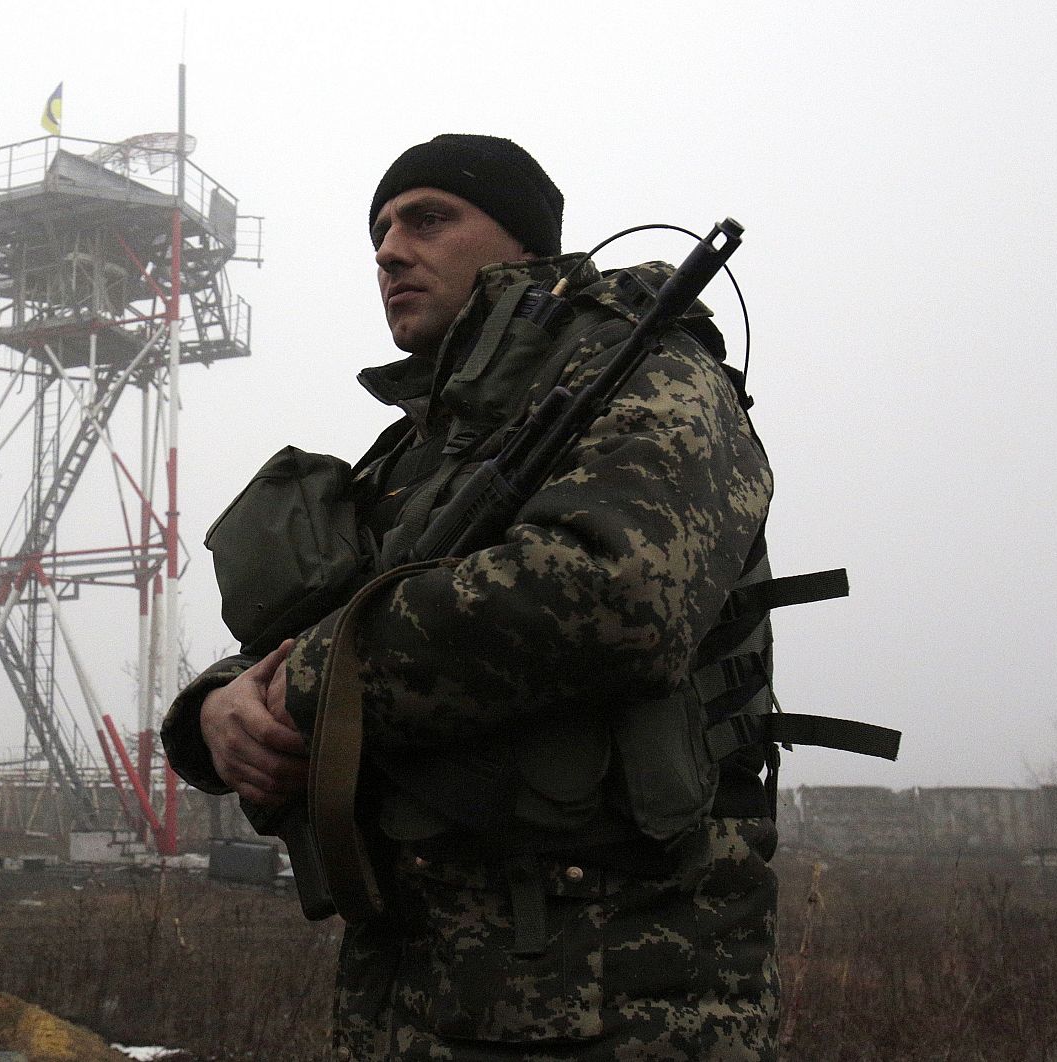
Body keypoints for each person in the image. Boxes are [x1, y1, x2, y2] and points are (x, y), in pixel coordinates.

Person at [163, 134, 782, 1060]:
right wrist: (216, 708)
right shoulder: (416, 453)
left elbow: (615, 592)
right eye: (379, 229)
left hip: (622, 1005)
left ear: (527, 246)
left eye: (429, 218)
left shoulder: (649, 374)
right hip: (414, 1002)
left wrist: (303, 688)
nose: (389, 250)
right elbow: (317, 622)